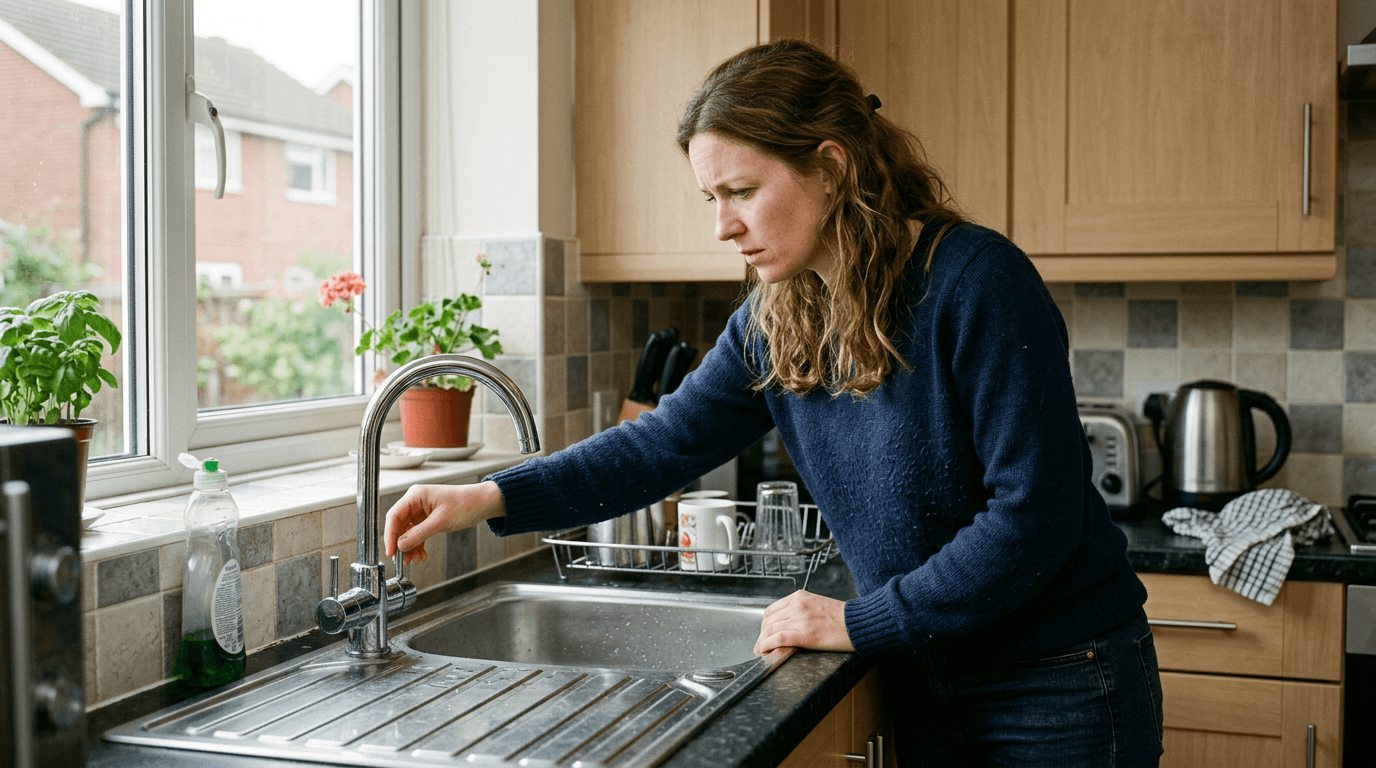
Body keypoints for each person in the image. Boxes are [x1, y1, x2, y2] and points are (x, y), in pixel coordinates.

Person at [384, 39, 1163, 767]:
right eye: (710, 197)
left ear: (831, 166)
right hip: (924, 668)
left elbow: (1034, 516)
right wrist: (486, 496)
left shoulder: (976, 282)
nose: (723, 226)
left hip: (1056, 680)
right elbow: (663, 444)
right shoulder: (776, 315)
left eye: (742, 191)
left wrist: (860, 622)